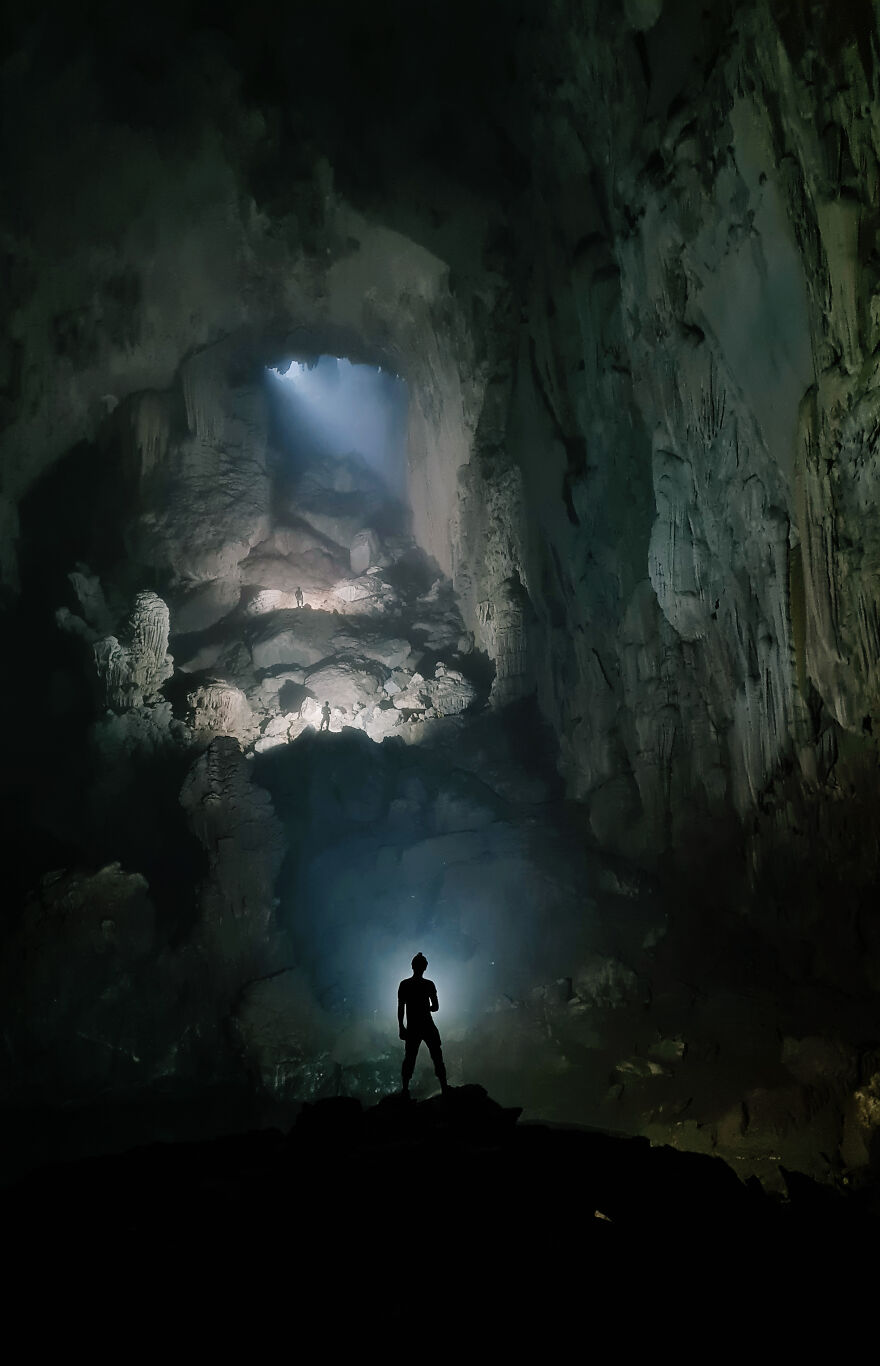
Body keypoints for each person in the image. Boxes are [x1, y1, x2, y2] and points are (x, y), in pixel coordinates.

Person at [398, 952, 448, 1097]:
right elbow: (436, 1007)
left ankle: (405, 1089)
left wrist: (401, 1027)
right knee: (437, 1056)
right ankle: (444, 1086)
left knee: (409, 1058)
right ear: (425, 967)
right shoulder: (429, 984)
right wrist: (427, 1008)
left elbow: (401, 1007)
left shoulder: (405, 984)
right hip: (427, 1025)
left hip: (413, 1027)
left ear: (412, 966)